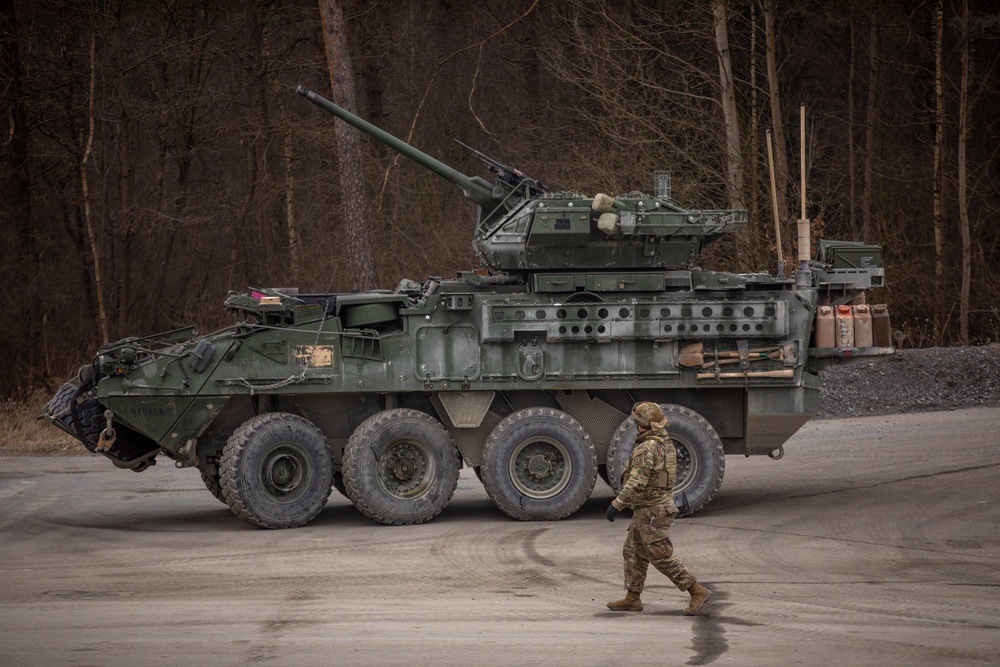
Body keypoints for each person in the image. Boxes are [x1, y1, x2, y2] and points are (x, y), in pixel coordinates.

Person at [605, 401, 711, 615]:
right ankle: (633, 598)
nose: (634, 424)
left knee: (661, 556)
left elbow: (636, 482)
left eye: (636, 421)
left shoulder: (648, 448)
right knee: (633, 551)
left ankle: (696, 590)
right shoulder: (663, 442)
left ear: (643, 424)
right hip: (648, 508)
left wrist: (616, 504)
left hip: (653, 511)